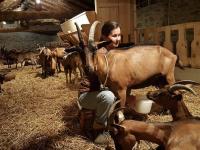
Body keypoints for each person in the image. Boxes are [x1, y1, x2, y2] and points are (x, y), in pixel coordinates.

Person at [78, 21, 135, 144]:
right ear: (104, 39)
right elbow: (104, 84)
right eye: (114, 36)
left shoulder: (115, 52)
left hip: (101, 93)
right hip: (88, 95)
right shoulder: (99, 54)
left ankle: (114, 118)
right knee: (109, 96)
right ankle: (98, 130)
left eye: (119, 35)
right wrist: (126, 97)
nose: (118, 39)